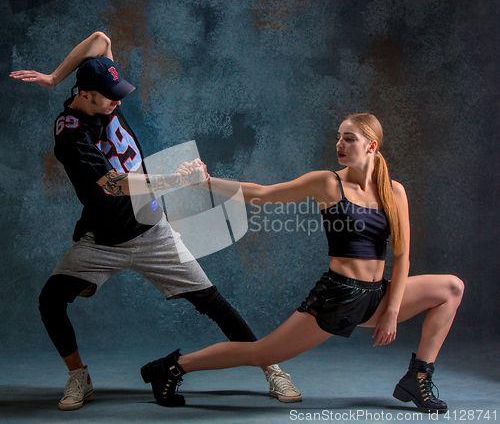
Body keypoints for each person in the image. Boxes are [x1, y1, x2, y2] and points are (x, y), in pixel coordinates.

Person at [9, 31, 301, 410]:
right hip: (104, 241)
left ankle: (271, 367)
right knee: (50, 300)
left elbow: (99, 39)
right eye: (108, 95)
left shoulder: (103, 91)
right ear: (85, 95)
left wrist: (51, 77)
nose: (118, 100)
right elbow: (114, 184)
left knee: (213, 302)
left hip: (152, 232)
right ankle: (78, 375)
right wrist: (180, 179)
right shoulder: (70, 135)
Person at [144, 113, 464, 414]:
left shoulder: (394, 191)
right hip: (338, 297)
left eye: (348, 139)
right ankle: (172, 366)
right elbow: (262, 194)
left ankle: (417, 379)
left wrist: (392, 311)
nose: (339, 144)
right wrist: (206, 182)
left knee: (451, 288)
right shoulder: (327, 183)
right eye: (338, 137)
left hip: (378, 296)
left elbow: (402, 255)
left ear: (371, 145)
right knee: (263, 354)